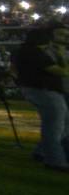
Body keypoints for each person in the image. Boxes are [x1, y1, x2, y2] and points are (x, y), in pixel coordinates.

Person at [14, 24, 69, 171]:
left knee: (59, 125)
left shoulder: (27, 51)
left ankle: (42, 152)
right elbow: (62, 72)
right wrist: (63, 56)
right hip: (45, 91)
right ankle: (55, 160)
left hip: (43, 90)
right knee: (54, 128)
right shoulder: (35, 53)